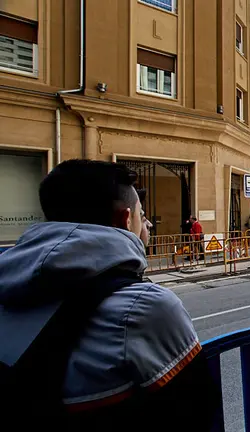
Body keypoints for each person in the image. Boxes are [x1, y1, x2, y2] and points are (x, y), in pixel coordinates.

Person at [0, 160, 213, 431]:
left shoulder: (8, 285)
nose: (147, 225)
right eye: (142, 216)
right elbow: (196, 409)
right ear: (125, 220)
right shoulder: (143, 306)